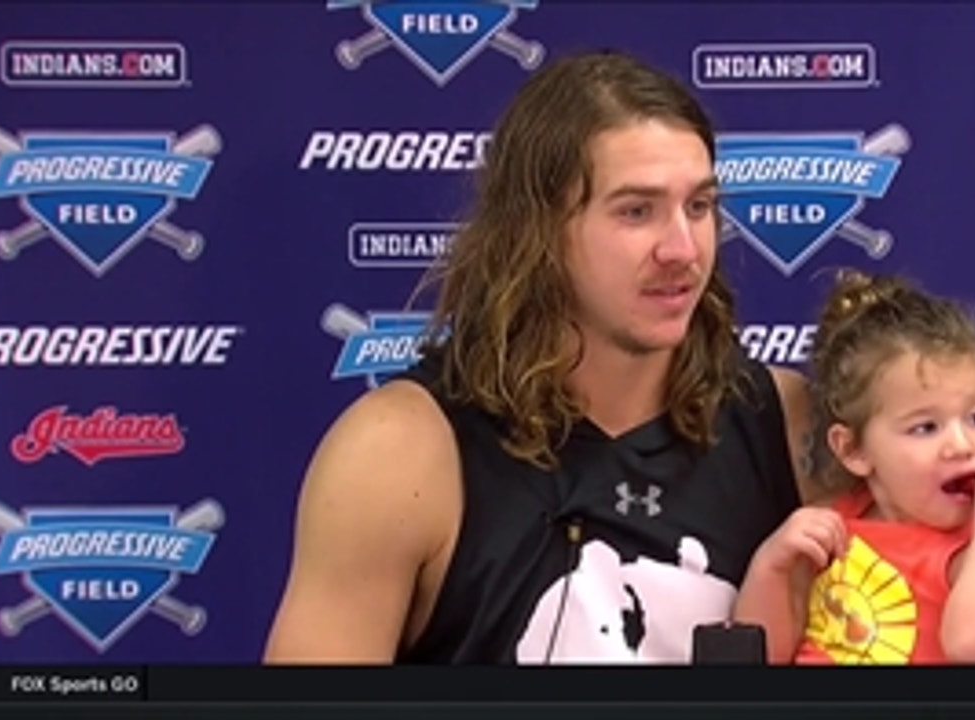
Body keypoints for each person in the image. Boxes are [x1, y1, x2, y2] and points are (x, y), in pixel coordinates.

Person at [263, 50, 812, 664]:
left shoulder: (788, 426)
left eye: (700, 206)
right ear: (538, 230)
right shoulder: (400, 453)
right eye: (637, 211)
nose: (682, 248)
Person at [734, 271, 975, 664]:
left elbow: (971, 646)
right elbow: (757, 655)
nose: (961, 445)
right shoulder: (825, 527)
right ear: (853, 450)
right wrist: (772, 564)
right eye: (925, 428)